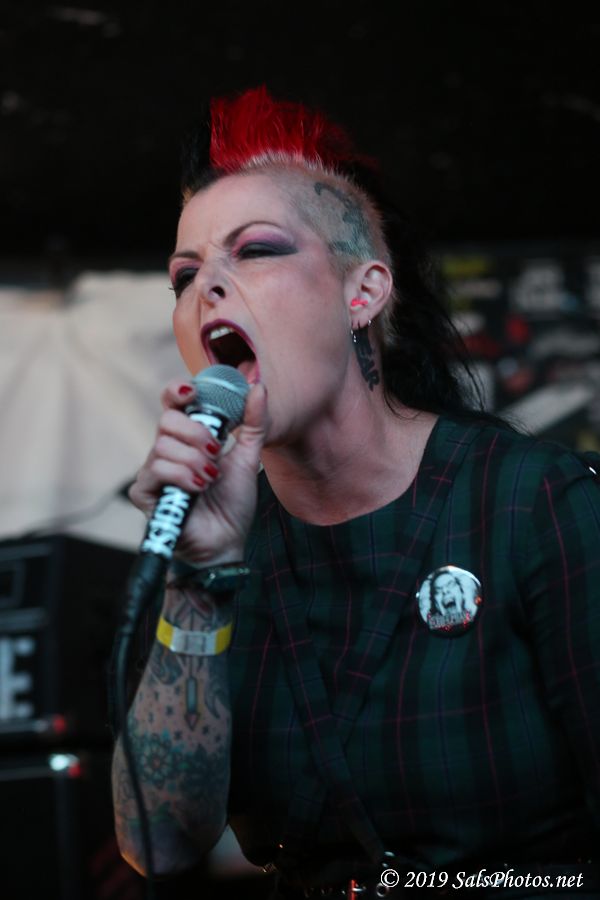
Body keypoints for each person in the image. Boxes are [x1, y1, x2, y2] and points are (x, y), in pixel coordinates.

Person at [112, 86, 600, 898]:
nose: (207, 289)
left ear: (362, 293)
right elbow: (159, 847)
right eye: (184, 275)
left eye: (255, 250)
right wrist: (197, 580)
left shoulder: (536, 504)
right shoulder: (213, 547)